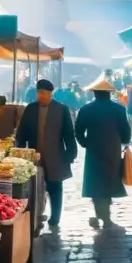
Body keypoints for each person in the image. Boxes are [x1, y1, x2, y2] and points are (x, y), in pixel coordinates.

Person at [15, 79, 78, 229]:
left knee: (55, 186)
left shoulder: (62, 109)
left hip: (55, 155)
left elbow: (68, 133)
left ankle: (55, 216)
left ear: (50, 93)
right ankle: (35, 214)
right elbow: (22, 131)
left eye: (43, 93)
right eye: (38, 92)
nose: (40, 95)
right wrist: (21, 150)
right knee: (34, 187)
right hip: (34, 155)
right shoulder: (30, 108)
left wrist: (71, 153)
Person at [75, 74, 132, 228]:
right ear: (109, 93)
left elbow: (78, 131)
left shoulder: (86, 109)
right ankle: (105, 214)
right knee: (109, 180)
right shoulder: (119, 109)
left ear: (95, 93)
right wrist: (124, 142)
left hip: (93, 150)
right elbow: (126, 132)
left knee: (95, 182)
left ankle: (100, 212)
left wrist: (85, 143)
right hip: (112, 150)